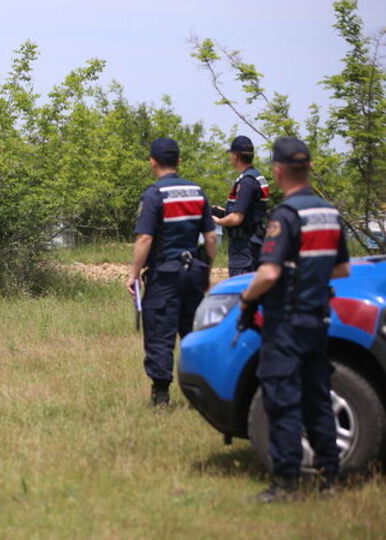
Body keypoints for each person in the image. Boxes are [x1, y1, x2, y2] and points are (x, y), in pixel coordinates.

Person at [237, 137, 350, 502]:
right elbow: (342, 269)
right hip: (317, 320)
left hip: (285, 322)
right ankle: (329, 477)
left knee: (283, 399)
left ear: (279, 170)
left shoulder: (285, 216)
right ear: (310, 167)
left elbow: (268, 273)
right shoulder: (329, 213)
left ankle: (286, 483)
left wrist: (246, 298)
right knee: (317, 397)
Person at [126, 138, 217, 407]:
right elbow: (211, 237)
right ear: (179, 161)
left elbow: (145, 239)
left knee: (160, 334)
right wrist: (207, 271)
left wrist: (133, 274)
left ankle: (162, 395)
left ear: (152, 162)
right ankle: (199, 395)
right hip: (194, 272)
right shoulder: (197, 192)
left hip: (165, 274)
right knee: (193, 334)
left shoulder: (154, 194)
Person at [213, 135, 270, 276]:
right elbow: (249, 210)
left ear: (236, 156)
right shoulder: (256, 177)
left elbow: (237, 218)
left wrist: (218, 221)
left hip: (244, 249)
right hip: (254, 243)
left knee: (240, 292)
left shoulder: (246, 182)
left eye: (231, 155)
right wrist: (220, 211)